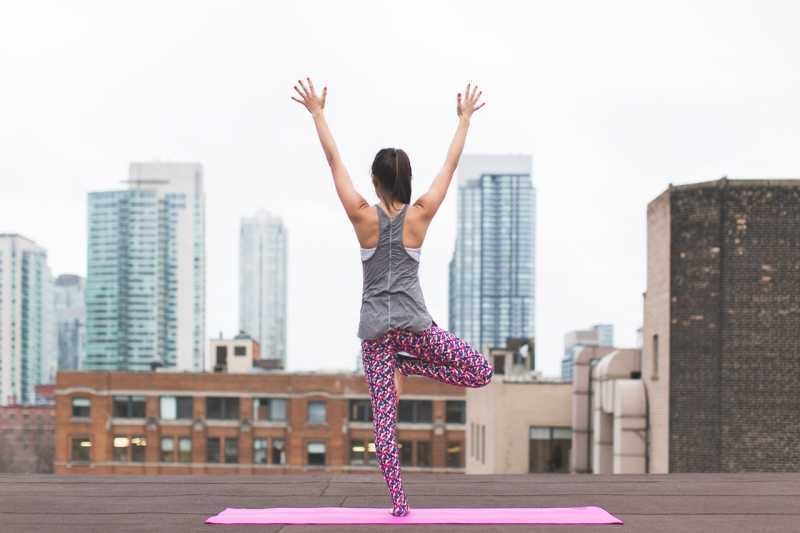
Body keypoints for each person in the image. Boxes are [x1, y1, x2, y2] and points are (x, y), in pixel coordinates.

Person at [291, 77, 493, 517]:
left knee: (384, 425)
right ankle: (409, 366)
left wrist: (318, 114)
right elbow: (449, 168)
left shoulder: (361, 216)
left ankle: (399, 507)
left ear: (376, 180)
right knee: (482, 373)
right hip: (416, 329)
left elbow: (332, 161)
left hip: (377, 338)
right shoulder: (420, 215)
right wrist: (463, 122)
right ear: (406, 180)